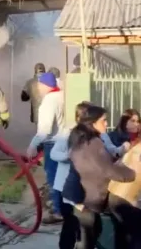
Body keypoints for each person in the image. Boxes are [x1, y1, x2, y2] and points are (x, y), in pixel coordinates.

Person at [66, 104, 135, 249]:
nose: (107, 124)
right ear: (92, 123)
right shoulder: (93, 143)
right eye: (103, 120)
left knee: (87, 238)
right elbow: (108, 170)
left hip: (81, 197)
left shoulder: (82, 138)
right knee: (87, 240)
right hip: (86, 199)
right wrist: (134, 174)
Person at [25, 72, 65, 224]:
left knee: (53, 178)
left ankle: (57, 211)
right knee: (62, 177)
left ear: (44, 85)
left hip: (52, 144)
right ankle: (64, 208)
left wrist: (33, 146)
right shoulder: (62, 96)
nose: (38, 88)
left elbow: (45, 130)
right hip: (64, 142)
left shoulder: (49, 100)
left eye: (39, 85)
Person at [53, 102, 92, 249]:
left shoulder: (96, 135)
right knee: (70, 222)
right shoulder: (67, 132)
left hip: (85, 186)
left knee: (86, 226)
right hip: (65, 186)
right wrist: (68, 156)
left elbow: (109, 148)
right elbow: (54, 153)